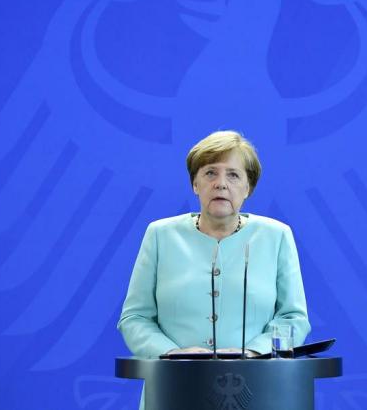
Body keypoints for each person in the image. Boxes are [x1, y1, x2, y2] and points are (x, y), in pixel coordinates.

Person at [118, 130, 311, 363]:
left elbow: (293, 318)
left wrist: (253, 353)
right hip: (172, 386)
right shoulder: (160, 235)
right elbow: (135, 317)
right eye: (210, 173)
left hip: (257, 386)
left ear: (248, 187)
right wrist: (172, 354)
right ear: (195, 184)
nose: (221, 184)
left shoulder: (277, 236)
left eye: (233, 175)